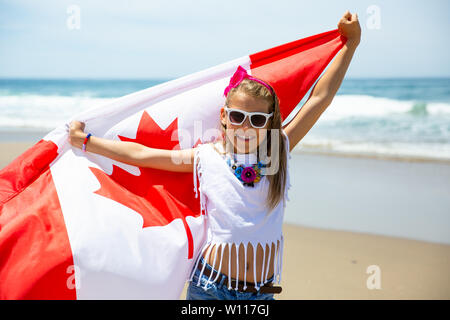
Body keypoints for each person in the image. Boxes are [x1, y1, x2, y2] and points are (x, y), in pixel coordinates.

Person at [68, 10, 361, 300]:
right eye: (238, 117)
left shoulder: (278, 149)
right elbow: (143, 155)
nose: (246, 126)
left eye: (257, 120)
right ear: (224, 116)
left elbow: (319, 99)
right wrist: (87, 141)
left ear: (269, 122)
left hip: (262, 295)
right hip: (210, 288)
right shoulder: (206, 157)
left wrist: (350, 45)